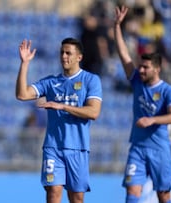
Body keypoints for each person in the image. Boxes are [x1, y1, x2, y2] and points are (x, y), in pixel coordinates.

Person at [15, 38, 102, 203]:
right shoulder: (51, 82)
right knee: (53, 193)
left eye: (68, 53)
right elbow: (22, 94)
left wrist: (63, 107)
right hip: (53, 148)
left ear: (79, 57)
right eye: (62, 52)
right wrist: (24, 63)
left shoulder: (91, 80)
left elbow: (94, 112)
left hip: (78, 149)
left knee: (76, 198)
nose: (64, 56)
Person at [114, 5, 171, 203]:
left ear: (157, 69)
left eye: (145, 67)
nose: (140, 70)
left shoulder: (168, 90)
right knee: (132, 193)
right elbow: (124, 55)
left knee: (163, 195)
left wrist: (152, 120)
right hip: (137, 148)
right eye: (140, 66)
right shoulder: (136, 81)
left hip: (160, 149)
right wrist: (117, 26)